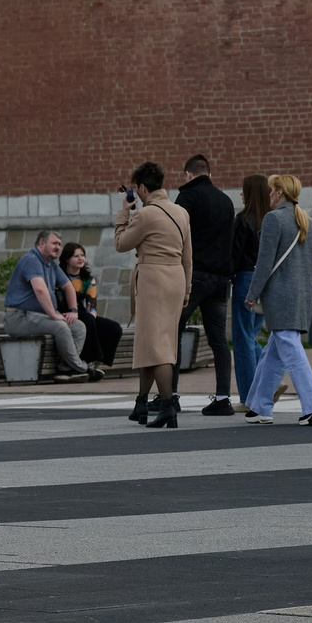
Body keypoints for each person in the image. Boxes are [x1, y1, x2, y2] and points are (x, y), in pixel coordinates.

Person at [115, 161, 195, 429]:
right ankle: (141, 402)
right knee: (151, 342)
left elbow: (121, 244)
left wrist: (122, 215)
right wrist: (187, 289)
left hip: (153, 279)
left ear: (142, 187)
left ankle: (167, 406)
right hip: (175, 278)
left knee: (159, 348)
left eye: (137, 189)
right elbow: (188, 257)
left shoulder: (145, 215)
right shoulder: (181, 212)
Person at [244, 173, 312, 426]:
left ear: (280, 192)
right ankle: (260, 406)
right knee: (274, 352)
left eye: (271, 190)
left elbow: (264, 264)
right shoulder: (308, 222)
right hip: (302, 297)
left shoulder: (273, 219)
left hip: (280, 297)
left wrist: (252, 294)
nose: (268, 194)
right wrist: (311, 300)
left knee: (290, 349)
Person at [174, 156, 238, 414]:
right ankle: (223, 398)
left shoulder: (187, 198)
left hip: (194, 276)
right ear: (209, 174)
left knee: (173, 331)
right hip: (221, 279)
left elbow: (175, 234)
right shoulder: (226, 200)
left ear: (188, 174)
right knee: (219, 340)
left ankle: (171, 395)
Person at [3, 228, 96, 381]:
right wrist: (53, 314)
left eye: (59, 244)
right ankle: (83, 368)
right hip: (19, 317)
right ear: (41, 243)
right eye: (54, 243)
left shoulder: (51, 265)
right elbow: (40, 289)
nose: (58, 247)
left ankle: (66, 370)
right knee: (60, 326)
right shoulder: (31, 260)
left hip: (38, 316)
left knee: (78, 327)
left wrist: (73, 310)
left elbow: (68, 287)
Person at [230, 175, 270, 405]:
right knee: (251, 335)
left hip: (245, 278)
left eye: (243, 190)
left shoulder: (243, 219)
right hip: (265, 280)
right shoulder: (270, 219)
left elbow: (234, 256)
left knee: (242, 339)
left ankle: (249, 397)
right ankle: (267, 381)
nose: (241, 194)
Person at [58, 244, 121, 370]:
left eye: (82, 255)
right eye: (76, 256)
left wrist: (92, 317)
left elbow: (91, 305)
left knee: (114, 328)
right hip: (63, 311)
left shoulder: (87, 279)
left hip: (81, 313)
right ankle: (88, 359)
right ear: (67, 259)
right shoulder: (59, 275)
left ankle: (100, 361)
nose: (80, 259)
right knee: (88, 320)